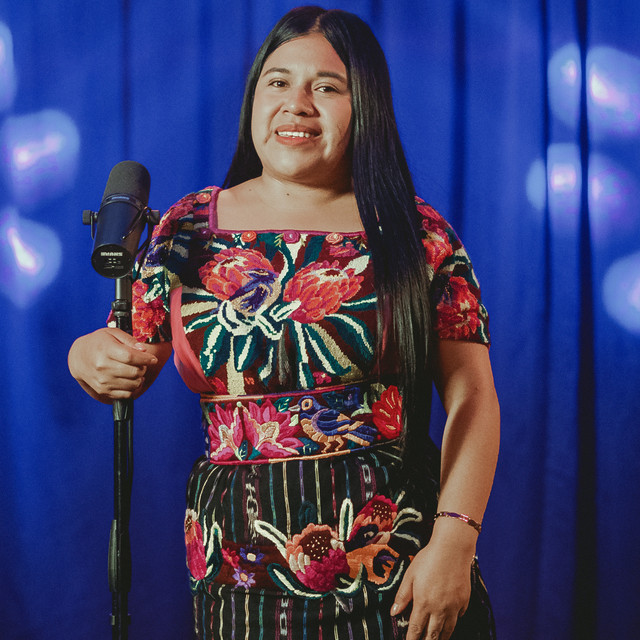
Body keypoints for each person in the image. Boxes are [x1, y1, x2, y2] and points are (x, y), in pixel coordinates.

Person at [68, 6, 499, 640]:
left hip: (397, 557)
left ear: (366, 106)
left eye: (327, 87)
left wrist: (455, 543)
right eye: (278, 81)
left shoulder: (416, 232)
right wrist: (86, 356)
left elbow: (472, 396)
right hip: (238, 560)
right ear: (253, 98)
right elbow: (128, 356)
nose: (296, 103)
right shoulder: (190, 225)